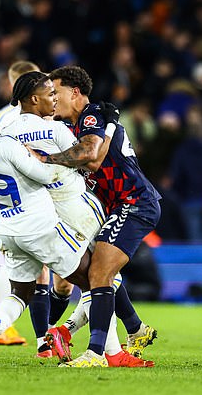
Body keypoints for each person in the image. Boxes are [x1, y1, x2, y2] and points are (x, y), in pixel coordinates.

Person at [0, 102, 89, 365]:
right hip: (39, 225)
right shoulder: (5, 144)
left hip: (8, 229)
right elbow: (43, 176)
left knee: (19, 294)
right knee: (96, 281)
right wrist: (68, 161)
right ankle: (73, 338)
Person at [36, 66, 161, 367]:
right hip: (118, 206)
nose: (54, 99)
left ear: (75, 92)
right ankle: (126, 335)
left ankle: (96, 353)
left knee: (99, 274)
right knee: (98, 274)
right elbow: (92, 158)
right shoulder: (87, 124)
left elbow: (89, 156)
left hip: (134, 202)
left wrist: (44, 159)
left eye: (57, 92)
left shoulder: (92, 115)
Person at [0, 60, 73, 350]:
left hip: (8, 206)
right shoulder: (48, 121)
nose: (53, 95)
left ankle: (25, 335)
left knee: (27, 276)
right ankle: (62, 342)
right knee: (82, 277)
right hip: (46, 206)